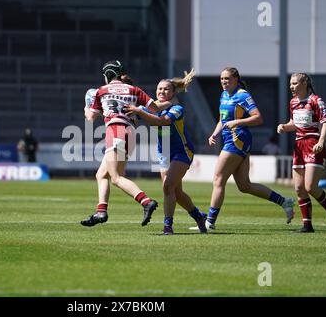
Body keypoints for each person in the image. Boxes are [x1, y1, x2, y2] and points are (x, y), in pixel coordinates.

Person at [204, 67, 295, 230]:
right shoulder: (224, 95)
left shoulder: (242, 95)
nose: (224, 81)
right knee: (244, 186)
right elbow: (222, 119)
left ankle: (209, 223)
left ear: (236, 79)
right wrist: (215, 134)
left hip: (237, 139)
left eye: (227, 78)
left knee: (218, 179)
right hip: (230, 139)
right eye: (222, 79)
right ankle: (284, 201)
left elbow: (258, 118)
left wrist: (237, 122)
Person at [124, 69, 207, 235]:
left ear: (173, 92)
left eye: (166, 89)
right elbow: (133, 115)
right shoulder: (151, 106)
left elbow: (163, 121)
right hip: (164, 153)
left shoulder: (177, 108)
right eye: (159, 88)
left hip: (182, 152)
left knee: (168, 186)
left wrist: (139, 111)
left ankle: (168, 226)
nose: (162, 91)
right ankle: (199, 217)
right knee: (176, 192)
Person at [80, 60, 159, 227]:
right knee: (102, 174)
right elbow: (155, 109)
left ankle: (146, 202)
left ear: (108, 75)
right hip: (130, 132)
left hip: (116, 130)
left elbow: (91, 118)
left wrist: (87, 105)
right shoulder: (134, 89)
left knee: (115, 178)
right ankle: (101, 211)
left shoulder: (101, 91)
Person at [277, 73, 326, 233]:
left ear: (304, 83)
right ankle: (307, 225)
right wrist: (285, 126)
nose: (291, 86)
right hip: (298, 146)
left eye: (294, 83)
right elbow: (294, 123)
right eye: (290, 84)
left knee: (310, 186)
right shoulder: (293, 102)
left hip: (313, 145)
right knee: (299, 188)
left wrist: (321, 142)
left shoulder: (316, 100)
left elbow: (325, 122)